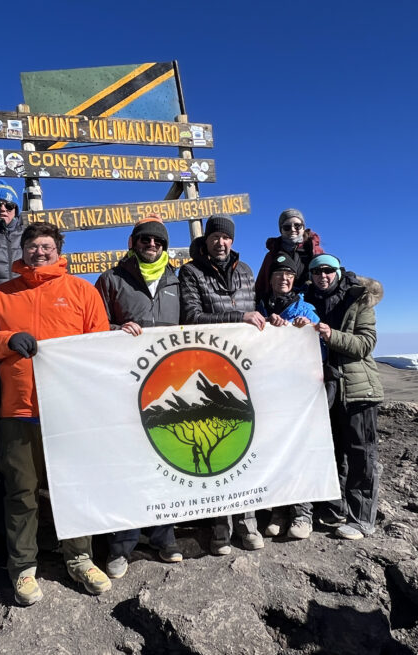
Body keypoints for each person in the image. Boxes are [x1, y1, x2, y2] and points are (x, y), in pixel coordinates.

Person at [0, 222, 112, 604]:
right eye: (32, 246)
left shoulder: (82, 291)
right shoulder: (0, 296)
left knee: (74, 486)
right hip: (18, 409)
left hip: (70, 410)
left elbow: (99, 344)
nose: (40, 252)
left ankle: (80, 557)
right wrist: (7, 341)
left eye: (46, 246)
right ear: (21, 250)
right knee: (21, 492)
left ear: (59, 250)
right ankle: (22, 566)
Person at [94, 214, 183, 578]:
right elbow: (94, 325)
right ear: (133, 243)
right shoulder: (111, 279)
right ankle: (122, 544)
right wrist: (117, 328)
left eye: (157, 241)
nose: (151, 245)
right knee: (128, 462)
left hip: (169, 383)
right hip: (125, 384)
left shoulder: (180, 279)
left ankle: (165, 536)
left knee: (165, 457)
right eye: (144, 240)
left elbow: (194, 324)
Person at [178, 213, 266, 555]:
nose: (221, 242)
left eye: (226, 237)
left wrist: (264, 321)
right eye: (215, 237)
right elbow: (192, 317)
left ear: (232, 240)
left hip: (244, 371)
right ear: (206, 240)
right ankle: (219, 527)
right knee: (213, 448)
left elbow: (254, 312)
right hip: (208, 370)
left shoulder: (245, 271)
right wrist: (238, 318)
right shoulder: (191, 272)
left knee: (244, 445)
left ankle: (248, 523)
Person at [303, 253, 384, 540]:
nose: (322, 275)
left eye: (327, 270)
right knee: (332, 451)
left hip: (356, 388)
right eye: (316, 271)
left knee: (361, 453)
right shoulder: (307, 301)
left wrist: (330, 335)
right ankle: (336, 509)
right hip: (325, 388)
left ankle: (362, 519)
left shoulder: (358, 300)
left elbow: (365, 344)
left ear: (338, 272)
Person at [255, 252, 322, 541]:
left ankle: (302, 513)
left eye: (289, 275)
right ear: (269, 279)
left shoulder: (306, 309)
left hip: (299, 391)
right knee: (275, 451)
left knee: (300, 449)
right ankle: (279, 511)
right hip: (269, 392)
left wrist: (306, 330)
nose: (284, 278)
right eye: (278, 274)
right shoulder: (258, 309)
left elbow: (321, 345)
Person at [254, 208, 323, 301]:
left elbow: (328, 273)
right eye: (287, 227)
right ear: (281, 230)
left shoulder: (314, 250)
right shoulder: (272, 254)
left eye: (297, 226)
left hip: (311, 303)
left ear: (303, 228)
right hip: (279, 305)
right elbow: (261, 284)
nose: (292, 229)